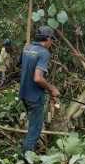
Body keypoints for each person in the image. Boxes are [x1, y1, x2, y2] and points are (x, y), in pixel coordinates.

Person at [19, 25, 60, 155]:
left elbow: (20, 64)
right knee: (34, 130)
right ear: (47, 39)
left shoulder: (27, 48)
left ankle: (28, 153)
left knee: (32, 125)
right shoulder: (44, 53)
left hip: (24, 94)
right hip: (35, 97)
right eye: (51, 40)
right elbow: (37, 78)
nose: (52, 43)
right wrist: (52, 88)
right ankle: (26, 161)